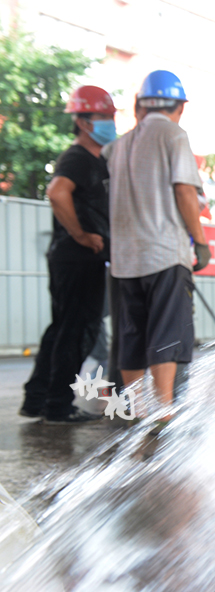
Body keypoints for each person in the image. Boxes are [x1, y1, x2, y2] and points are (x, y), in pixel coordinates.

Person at [104, 70, 210, 411]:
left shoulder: (116, 147)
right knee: (167, 333)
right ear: (178, 105)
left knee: (131, 335)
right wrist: (201, 240)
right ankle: (161, 414)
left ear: (141, 106)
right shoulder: (174, 135)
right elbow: (184, 190)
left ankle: (134, 410)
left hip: (124, 260)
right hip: (164, 254)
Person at [20, 86, 116, 425]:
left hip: (72, 257)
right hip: (78, 257)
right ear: (84, 121)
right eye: (105, 117)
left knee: (63, 328)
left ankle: (38, 399)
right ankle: (58, 405)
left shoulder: (96, 159)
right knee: (79, 330)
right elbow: (57, 192)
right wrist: (81, 234)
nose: (111, 123)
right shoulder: (77, 157)